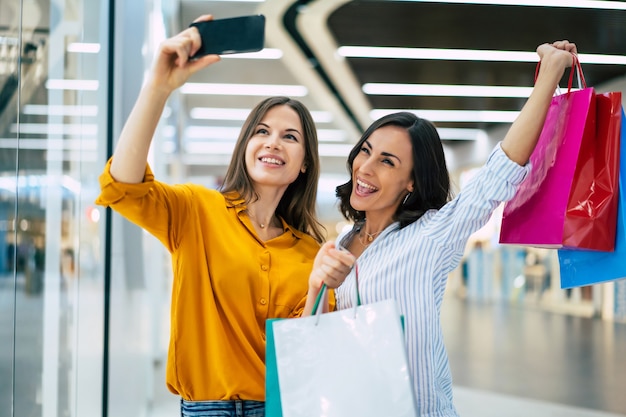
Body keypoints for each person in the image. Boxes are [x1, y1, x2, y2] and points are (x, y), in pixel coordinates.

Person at [305, 40, 578, 416]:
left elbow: (500, 171)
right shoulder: (340, 243)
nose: (365, 168)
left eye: (387, 162)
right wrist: (317, 286)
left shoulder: (432, 235)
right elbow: (316, 338)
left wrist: (549, 74)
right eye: (365, 150)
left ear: (412, 182)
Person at [95, 15, 339, 417]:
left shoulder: (308, 250)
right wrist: (159, 87)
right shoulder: (198, 211)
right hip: (205, 408)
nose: (273, 142)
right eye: (261, 131)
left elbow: (304, 350)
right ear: (245, 146)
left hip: (279, 407)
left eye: (289, 136)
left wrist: (318, 288)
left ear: (304, 166)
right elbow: (122, 186)